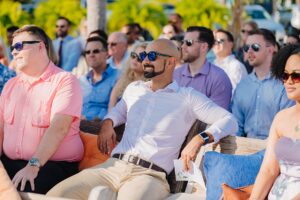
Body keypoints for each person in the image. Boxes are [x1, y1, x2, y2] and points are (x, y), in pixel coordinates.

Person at [47, 39, 238, 200]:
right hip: (111, 167)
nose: (146, 60)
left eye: (152, 56)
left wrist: (200, 139)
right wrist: (107, 123)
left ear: (171, 62)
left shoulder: (187, 97)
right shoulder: (134, 89)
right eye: (144, 55)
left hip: (148, 175)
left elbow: (229, 120)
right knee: (56, 194)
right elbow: (117, 112)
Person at [0, 25, 84, 194]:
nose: (14, 52)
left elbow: (59, 128)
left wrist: (33, 165)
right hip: (11, 162)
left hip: (51, 165)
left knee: (20, 188)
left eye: (19, 46)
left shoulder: (65, 81)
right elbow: (1, 128)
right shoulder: (11, 85)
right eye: (12, 47)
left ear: (40, 46)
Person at [250, 44, 300, 200]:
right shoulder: (281, 118)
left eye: (296, 76)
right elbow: (269, 170)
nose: (288, 81)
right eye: (285, 75)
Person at [231, 29, 295, 139]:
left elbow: (287, 128)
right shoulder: (242, 86)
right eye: (247, 48)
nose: (249, 51)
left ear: (271, 49)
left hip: (275, 149)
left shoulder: (285, 84)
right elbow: (235, 127)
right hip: (244, 147)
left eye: (255, 47)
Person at [174, 26, 232, 110]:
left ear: (204, 47)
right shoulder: (175, 74)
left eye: (189, 42)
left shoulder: (219, 78)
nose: (183, 47)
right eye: (182, 42)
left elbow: (217, 118)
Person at [80, 36, 118, 121]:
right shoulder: (82, 80)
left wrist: (91, 118)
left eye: (96, 51)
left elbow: (118, 110)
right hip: (77, 126)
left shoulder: (118, 77)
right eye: (87, 52)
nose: (91, 55)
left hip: (100, 128)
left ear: (107, 53)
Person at [108, 42, 148, 110]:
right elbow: (111, 105)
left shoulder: (149, 85)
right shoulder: (123, 78)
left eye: (140, 59)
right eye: (133, 55)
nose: (135, 60)